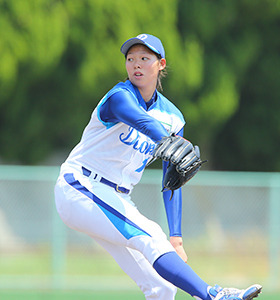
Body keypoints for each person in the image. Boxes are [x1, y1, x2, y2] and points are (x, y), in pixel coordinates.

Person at [54, 34, 262, 300]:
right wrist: (168, 139)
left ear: (160, 64)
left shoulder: (173, 118)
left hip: (116, 198)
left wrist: (176, 237)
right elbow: (140, 120)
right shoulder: (119, 97)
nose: (136, 64)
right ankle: (212, 295)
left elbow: (172, 180)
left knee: (161, 286)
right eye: (130, 59)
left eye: (144, 58)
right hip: (80, 186)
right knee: (151, 234)